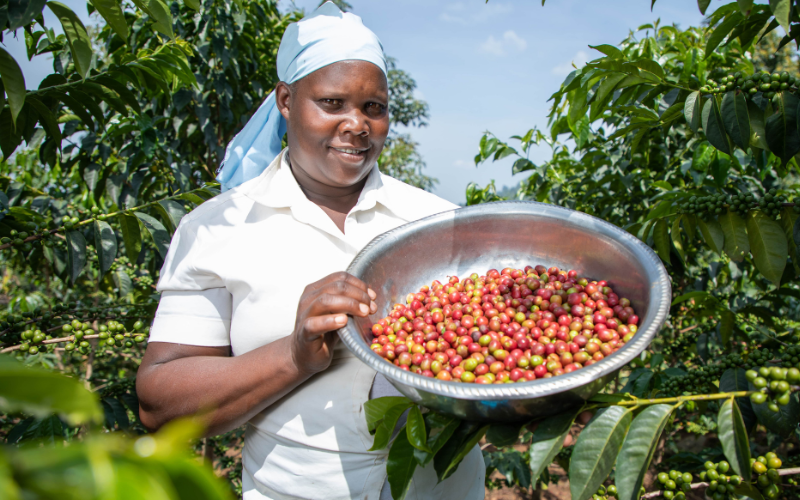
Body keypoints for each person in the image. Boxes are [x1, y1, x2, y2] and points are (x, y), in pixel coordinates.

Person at [135, 3, 485, 499]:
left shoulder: (438, 222)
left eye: (374, 108)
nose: (357, 125)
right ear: (285, 100)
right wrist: (294, 354)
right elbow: (159, 406)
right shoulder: (218, 228)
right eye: (332, 103)